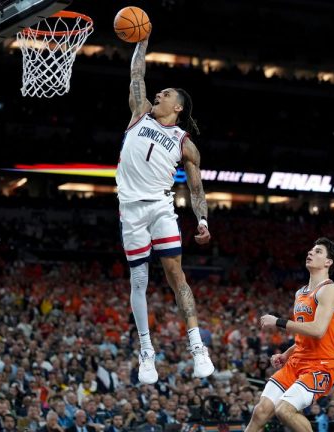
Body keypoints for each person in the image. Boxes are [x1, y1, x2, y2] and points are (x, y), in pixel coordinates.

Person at [117, 29, 214, 383]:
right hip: (130, 208)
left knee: (176, 275)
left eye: (167, 93)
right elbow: (136, 75)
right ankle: (146, 350)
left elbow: (196, 187)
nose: (158, 93)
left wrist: (202, 220)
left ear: (178, 107)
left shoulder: (185, 143)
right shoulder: (140, 113)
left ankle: (196, 346)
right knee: (138, 279)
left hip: (160, 207)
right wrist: (142, 42)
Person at [245, 238, 334, 432]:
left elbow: (317, 330)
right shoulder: (300, 293)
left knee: (284, 411)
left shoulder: (329, 289)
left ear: (328, 262)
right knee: (261, 411)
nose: (311, 252)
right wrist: (286, 355)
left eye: (318, 251)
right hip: (297, 361)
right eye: (311, 250)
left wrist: (279, 322)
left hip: (320, 364)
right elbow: (303, 335)